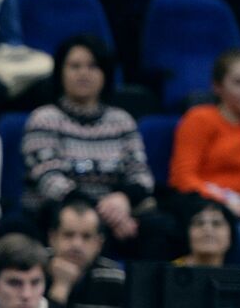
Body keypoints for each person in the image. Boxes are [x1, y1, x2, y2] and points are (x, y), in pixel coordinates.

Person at [20, 35, 163, 260]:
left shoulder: (121, 120)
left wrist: (124, 199)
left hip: (117, 210)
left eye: (93, 66)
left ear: (105, 74)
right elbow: (50, 180)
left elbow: (140, 174)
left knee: (160, 228)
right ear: (60, 72)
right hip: (59, 210)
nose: (84, 73)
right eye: (75, 66)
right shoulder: (44, 119)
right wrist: (105, 213)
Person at [170, 49, 240, 263]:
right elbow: (183, 178)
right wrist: (227, 203)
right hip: (206, 206)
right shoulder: (200, 118)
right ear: (218, 87)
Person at [44, 195, 125, 308]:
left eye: (86, 237)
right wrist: (61, 287)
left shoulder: (115, 279)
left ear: (99, 243)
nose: (77, 245)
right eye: (68, 235)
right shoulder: (33, 271)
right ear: (52, 238)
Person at [174, 197, 236, 267]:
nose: (207, 229)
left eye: (216, 223)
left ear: (231, 236)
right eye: (199, 223)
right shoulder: (167, 273)